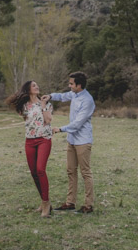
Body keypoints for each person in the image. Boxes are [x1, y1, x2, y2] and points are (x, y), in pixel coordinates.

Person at [43, 71, 95, 214]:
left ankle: (88, 205)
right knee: (71, 171)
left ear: (79, 85)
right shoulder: (74, 94)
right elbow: (62, 96)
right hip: (72, 140)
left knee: (85, 172)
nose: (69, 85)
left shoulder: (88, 101)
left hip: (83, 141)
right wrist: (50, 96)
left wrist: (60, 129)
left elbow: (77, 124)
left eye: (71, 83)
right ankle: (70, 202)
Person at [6, 80, 54, 217]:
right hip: (30, 141)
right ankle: (45, 201)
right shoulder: (24, 106)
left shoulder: (47, 104)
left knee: (40, 170)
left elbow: (48, 120)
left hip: (44, 139)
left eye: (37, 84)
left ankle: (46, 203)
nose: (37, 86)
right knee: (33, 172)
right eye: (33, 85)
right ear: (28, 90)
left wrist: (43, 105)